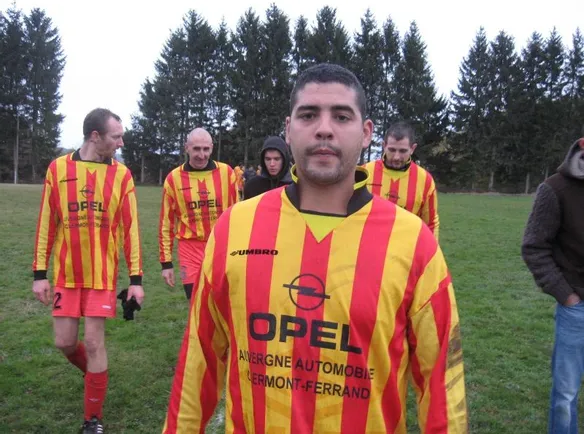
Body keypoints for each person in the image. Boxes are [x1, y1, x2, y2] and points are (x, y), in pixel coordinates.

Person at [162, 63, 467, 433]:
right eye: (309, 114)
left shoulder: (414, 242)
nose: (324, 128)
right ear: (289, 130)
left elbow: (442, 386)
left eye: (341, 115)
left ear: (366, 133)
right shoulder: (234, 228)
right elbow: (199, 362)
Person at [32, 108, 144, 434]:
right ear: (95, 137)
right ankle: (95, 376)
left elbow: (131, 230)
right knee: (65, 343)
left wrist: (135, 280)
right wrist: (40, 273)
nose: (121, 142)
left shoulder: (122, 175)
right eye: (116, 136)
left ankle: (92, 419)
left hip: (101, 277)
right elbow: (45, 226)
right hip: (67, 276)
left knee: (95, 344)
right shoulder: (57, 170)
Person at [522, 137, 584, 434]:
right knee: (566, 395)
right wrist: (566, 296)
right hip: (577, 309)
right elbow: (533, 247)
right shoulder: (555, 189)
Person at [158, 128, 238, 301]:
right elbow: (166, 223)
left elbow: (238, 216)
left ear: (211, 148)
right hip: (190, 250)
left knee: (222, 304)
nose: (201, 155)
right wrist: (166, 263)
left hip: (221, 247)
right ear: (186, 147)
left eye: (205, 149)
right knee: (196, 305)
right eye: (196, 149)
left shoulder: (227, 173)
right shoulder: (173, 179)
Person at [363, 121, 440, 238]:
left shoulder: (425, 180)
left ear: (412, 148)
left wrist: (431, 254)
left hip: (407, 249)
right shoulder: (364, 173)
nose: (396, 157)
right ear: (384, 146)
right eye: (392, 150)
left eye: (403, 151)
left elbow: (431, 223)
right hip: (369, 245)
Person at [243, 135, 293, 199]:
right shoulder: (252, 186)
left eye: (276, 159)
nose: (272, 164)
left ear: (285, 160)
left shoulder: (297, 188)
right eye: (268, 159)